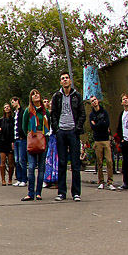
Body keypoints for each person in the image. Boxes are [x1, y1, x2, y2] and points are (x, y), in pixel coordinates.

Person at [50, 72, 86, 201]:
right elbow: (53, 114)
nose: (65, 80)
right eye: (62, 79)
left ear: (70, 81)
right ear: (60, 82)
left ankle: (76, 193)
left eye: (66, 78)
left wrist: (77, 128)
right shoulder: (57, 96)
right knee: (62, 162)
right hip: (61, 132)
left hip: (73, 131)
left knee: (75, 164)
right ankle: (62, 192)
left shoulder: (76, 96)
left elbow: (82, 114)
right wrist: (57, 129)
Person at [21, 89, 51, 201]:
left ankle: (38, 193)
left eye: (37, 93)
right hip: (32, 140)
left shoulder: (45, 112)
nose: (35, 95)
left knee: (41, 167)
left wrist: (42, 135)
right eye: (33, 94)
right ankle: (30, 193)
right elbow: (24, 127)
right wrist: (31, 134)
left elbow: (48, 125)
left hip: (43, 140)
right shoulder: (28, 111)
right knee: (32, 167)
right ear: (31, 98)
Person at [88, 95, 116, 190]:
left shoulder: (104, 112)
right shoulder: (91, 115)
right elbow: (93, 128)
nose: (94, 102)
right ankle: (101, 181)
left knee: (109, 161)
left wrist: (98, 124)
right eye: (92, 101)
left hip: (105, 139)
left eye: (95, 100)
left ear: (98, 101)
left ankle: (110, 182)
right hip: (97, 140)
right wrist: (100, 124)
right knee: (99, 162)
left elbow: (106, 124)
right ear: (91, 104)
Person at [11, 96, 28, 187]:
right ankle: (19, 178)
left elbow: (24, 124)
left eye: (13, 102)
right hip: (16, 139)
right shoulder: (15, 114)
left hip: (22, 139)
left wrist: (23, 135)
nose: (12, 104)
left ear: (17, 101)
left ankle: (24, 179)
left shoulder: (23, 112)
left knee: (22, 159)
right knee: (16, 160)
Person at [0, 103, 15, 186]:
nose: (7, 108)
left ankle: (10, 179)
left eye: (8, 107)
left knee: (11, 161)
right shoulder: (1, 120)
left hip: (10, 141)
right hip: (3, 141)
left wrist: (13, 141)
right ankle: (3, 179)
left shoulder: (13, 119)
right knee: (3, 161)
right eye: (5, 107)